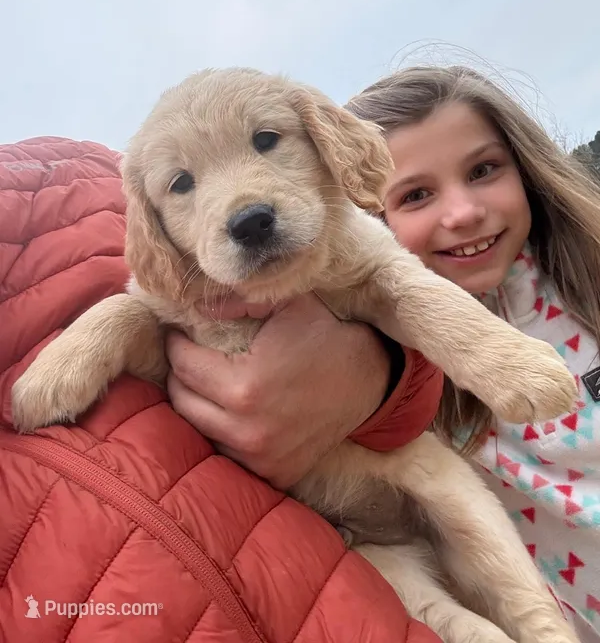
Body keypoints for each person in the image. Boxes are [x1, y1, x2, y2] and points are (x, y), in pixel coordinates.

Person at [169, 63, 600, 642]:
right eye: (417, 194)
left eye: (484, 170)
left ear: (526, 168)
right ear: (362, 207)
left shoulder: (587, 280)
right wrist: (380, 375)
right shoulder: (383, 339)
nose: (462, 212)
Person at [0, 135, 444, 642]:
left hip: (375, 564)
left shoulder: (73, 173)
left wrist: (380, 378)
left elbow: (379, 283)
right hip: (335, 581)